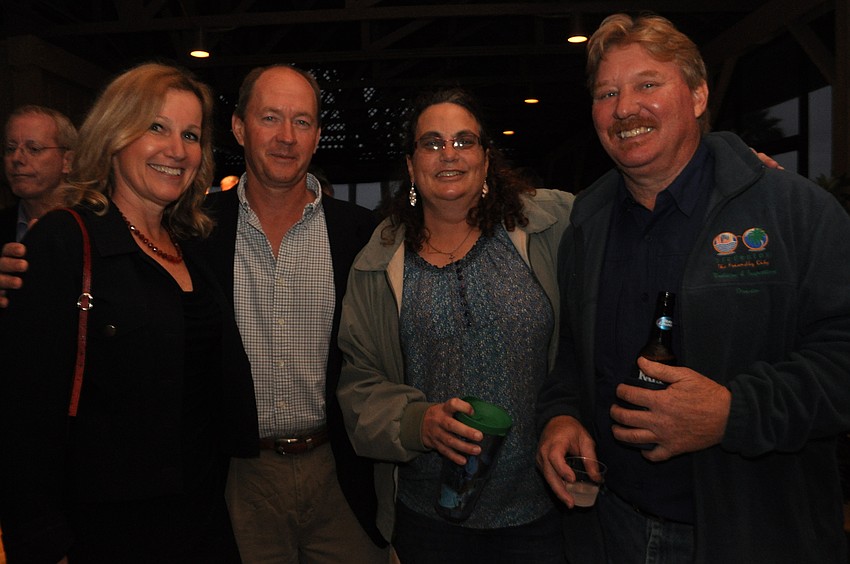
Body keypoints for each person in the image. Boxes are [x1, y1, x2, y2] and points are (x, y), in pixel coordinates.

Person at [536, 13, 850, 564]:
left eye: (647, 85)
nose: (625, 107)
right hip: (613, 528)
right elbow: (571, 356)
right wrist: (562, 416)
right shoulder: (586, 223)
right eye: (607, 92)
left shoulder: (795, 212)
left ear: (699, 95)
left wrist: (734, 412)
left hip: (751, 533)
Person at [0, 63, 258, 563]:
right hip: (105, 533)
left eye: (190, 134)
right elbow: (21, 417)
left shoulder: (191, 247)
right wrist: (45, 541)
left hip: (201, 521)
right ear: (115, 134)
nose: (177, 149)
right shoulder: (65, 242)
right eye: (156, 127)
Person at [336, 87, 574, 563]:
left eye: (464, 141)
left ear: (486, 159)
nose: (449, 154)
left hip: (541, 511)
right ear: (411, 164)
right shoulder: (378, 263)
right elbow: (358, 385)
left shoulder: (550, 224)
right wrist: (415, 422)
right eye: (432, 142)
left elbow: (633, 205)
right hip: (429, 519)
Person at [196, 64, 388, 563]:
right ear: (239, 128)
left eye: (301, 122)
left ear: (319, 136)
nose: (286, 137)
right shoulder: (198, 232)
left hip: (341, 472)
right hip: (240, 478)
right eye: (270, 118)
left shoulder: (361, 235)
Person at [1, 105, 77, 245]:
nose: (17, 158)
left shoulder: (95, 225)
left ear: (67, 161)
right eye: (10, 149)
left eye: (34, 149)